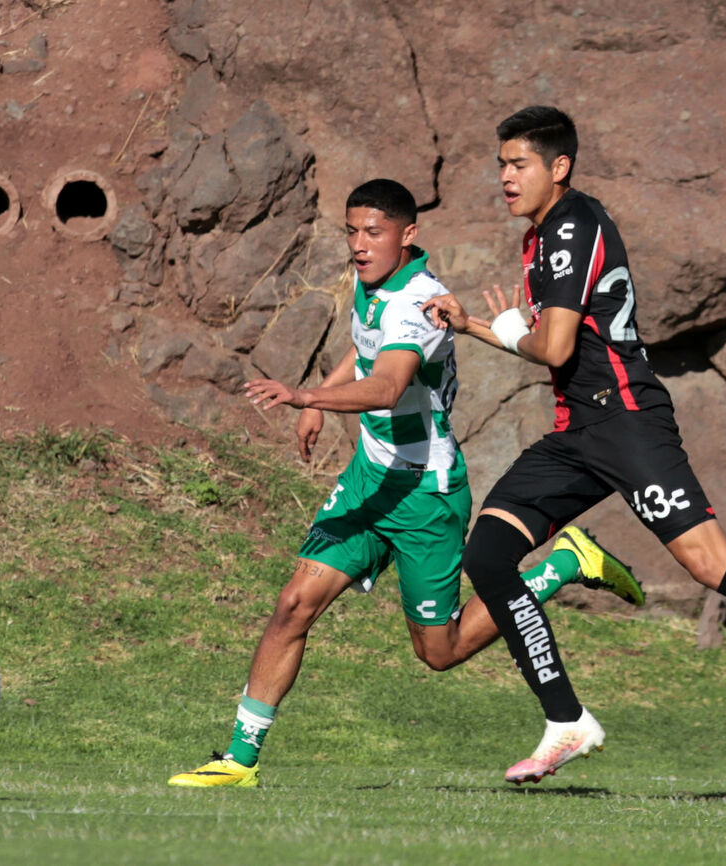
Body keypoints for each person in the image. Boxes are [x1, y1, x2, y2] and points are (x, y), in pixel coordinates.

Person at [422, 106, 726, 785]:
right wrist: (474, 323)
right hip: (578, 432)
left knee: (711, 564)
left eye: (519, 163)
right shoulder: (543, 236)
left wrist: (498, 331)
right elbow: (561, 345)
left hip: (626, 422)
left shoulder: (569, 227)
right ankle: (566, 719)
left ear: (559, 168)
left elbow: (552, 345)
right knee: (490, 555)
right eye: (501, 163)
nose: (505, 176)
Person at [167, 178, 643, 789]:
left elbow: (389, 383)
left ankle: (561, 565)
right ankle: (239, 760)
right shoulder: (373, 286)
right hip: (371, 478)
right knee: (293, 605)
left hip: (425, 492)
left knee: (438, 652)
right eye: (352, 231)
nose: (360, 245)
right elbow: (365, 348)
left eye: (374, 232)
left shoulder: (420, 303)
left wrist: (307, 395)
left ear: (407, 235)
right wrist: (323, 396)